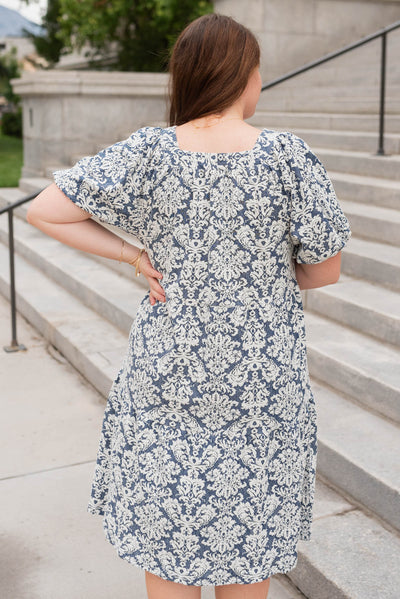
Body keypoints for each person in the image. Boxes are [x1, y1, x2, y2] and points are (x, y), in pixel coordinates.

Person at [26, 12, 352, 599]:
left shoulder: (152, 150)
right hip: (260, 381)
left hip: (168, 375)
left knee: (170, 539)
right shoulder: (287, 156)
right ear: (245, 77)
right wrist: (257, 279)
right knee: (248, 543)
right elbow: (325, 269)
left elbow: (45, 210)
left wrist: (131, 253)